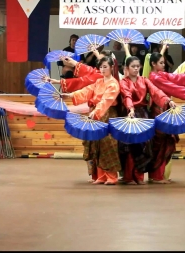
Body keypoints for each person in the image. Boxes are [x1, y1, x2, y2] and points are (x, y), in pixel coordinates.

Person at [142, 47, 185, 183]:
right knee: (160, 143)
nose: (164, 64)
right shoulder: (154, 77)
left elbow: (176, 77)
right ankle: (156, 176)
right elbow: (172, 87)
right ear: (153, 64)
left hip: (165, 109)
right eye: (161, 63)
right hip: (159, 111)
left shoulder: (160, 74)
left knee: (165, 142)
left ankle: (160, 175)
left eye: (164, 62)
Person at [62, 56, 121, 185]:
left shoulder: (113, 83)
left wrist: (96, 112)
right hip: (95, 113)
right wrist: (71, 95)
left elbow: (106, 100)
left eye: (105, 66)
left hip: (107, 114)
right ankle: (100, 176)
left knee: (107, 144)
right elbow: (86, 91)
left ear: (112, 67)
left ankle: (111, 176)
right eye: (101, 67)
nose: (102, 69)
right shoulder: (99, 82)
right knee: (95, 143)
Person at [119, 56, 176, 185]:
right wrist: (130, 109)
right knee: (129, 146)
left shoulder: (144, 80)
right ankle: (128, 176)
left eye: (137, 66)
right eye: (133, 66)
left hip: (143, 115)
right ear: (127, 68)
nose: (135, 68)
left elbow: (156, 92)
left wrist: (168, 100)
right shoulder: (124, 82)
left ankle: (138, 177)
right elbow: (127, 95)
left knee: (144, 145)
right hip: (130, 114)